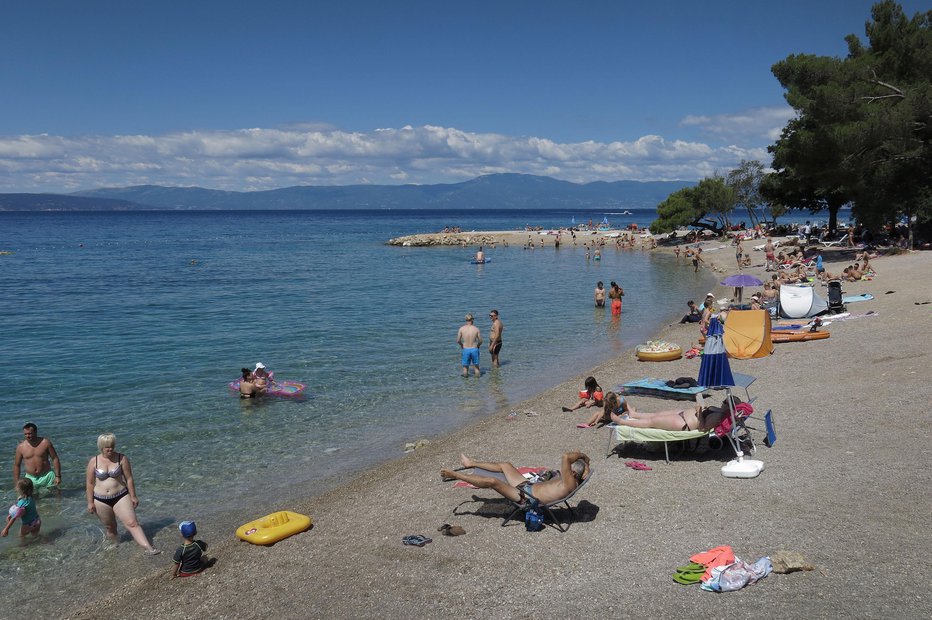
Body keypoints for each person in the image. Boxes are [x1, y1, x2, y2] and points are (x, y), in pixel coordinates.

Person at [85, 433, 161, 555]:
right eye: (107, 447)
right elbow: (89, 483)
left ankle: (149, 548)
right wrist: (90, 502)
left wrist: (133, 495)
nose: (110, 449)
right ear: (101, 447)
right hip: (100, 499)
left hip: (120, 495)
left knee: (132, 523)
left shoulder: (122, 458)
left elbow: (129, 478)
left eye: (112, 446)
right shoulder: (94, 461)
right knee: (110, 527)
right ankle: (115, 546)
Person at [440, 451, 590, 506]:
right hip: (528, 487)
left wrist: (583, 456)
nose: (565, 470)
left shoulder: (570, 482)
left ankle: (455, 475)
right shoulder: (573, 478)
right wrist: (586, 464)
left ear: (574, 474)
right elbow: (575, 464)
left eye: (568, 469)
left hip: (527, 498)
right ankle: (470, 463)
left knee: (492, 482)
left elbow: (565, 456)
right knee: (506, 465)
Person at [610, 396, 740, 432]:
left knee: (653, 422)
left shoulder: (719, 416)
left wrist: (700, 412)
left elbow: (702, 428)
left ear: (729, 407)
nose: (722, 403)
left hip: (684, 423)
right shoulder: (720, 411)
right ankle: (634, 415)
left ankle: (622, 422)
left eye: (725, 402)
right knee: (657, 414)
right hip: (683, 414)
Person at [13, 422, 61, 489]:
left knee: (56, 496)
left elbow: (55, 458)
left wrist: (58, 476)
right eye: (25, 434)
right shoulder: (21, 447)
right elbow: (17, 465)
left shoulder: (45, 443)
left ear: (35, 432)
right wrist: (17, 482)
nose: (27, 436)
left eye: (29, 433)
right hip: (30, 478)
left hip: (47, 476)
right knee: (32, 498)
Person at [456, 313, 482, 377]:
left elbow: (458, 340)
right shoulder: (476, 329)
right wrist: (478, 345)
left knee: (465, 367)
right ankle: (477, 382)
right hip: (474, 349)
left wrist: (461, 345)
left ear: (465, 320)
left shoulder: (461, 329)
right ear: (472, 319)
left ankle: (466, 384)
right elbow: (481, 341)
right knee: (476, 367)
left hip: (466, 349)